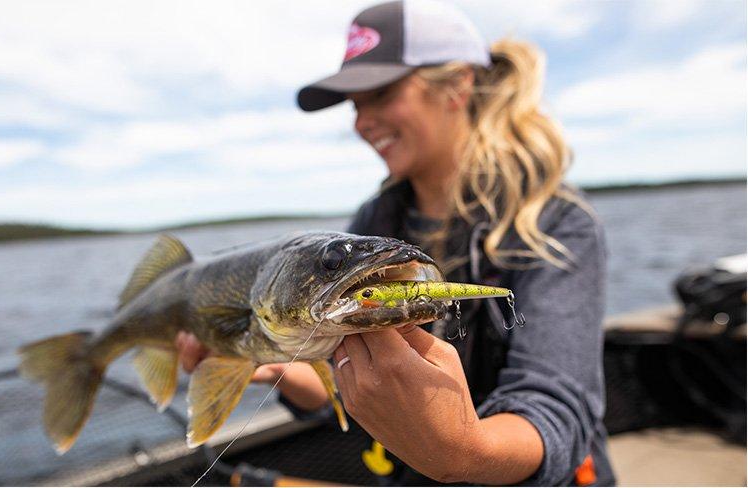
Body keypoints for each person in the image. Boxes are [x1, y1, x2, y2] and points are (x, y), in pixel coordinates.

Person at [177, 0, 615, 485]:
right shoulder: (373, 222)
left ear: (457, 84)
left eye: (381, 94)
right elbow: (359, 386)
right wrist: (284, 372)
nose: (362, 121)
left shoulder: (555, 222)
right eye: (356, 104)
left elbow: (557, 411)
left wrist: (464, 451)